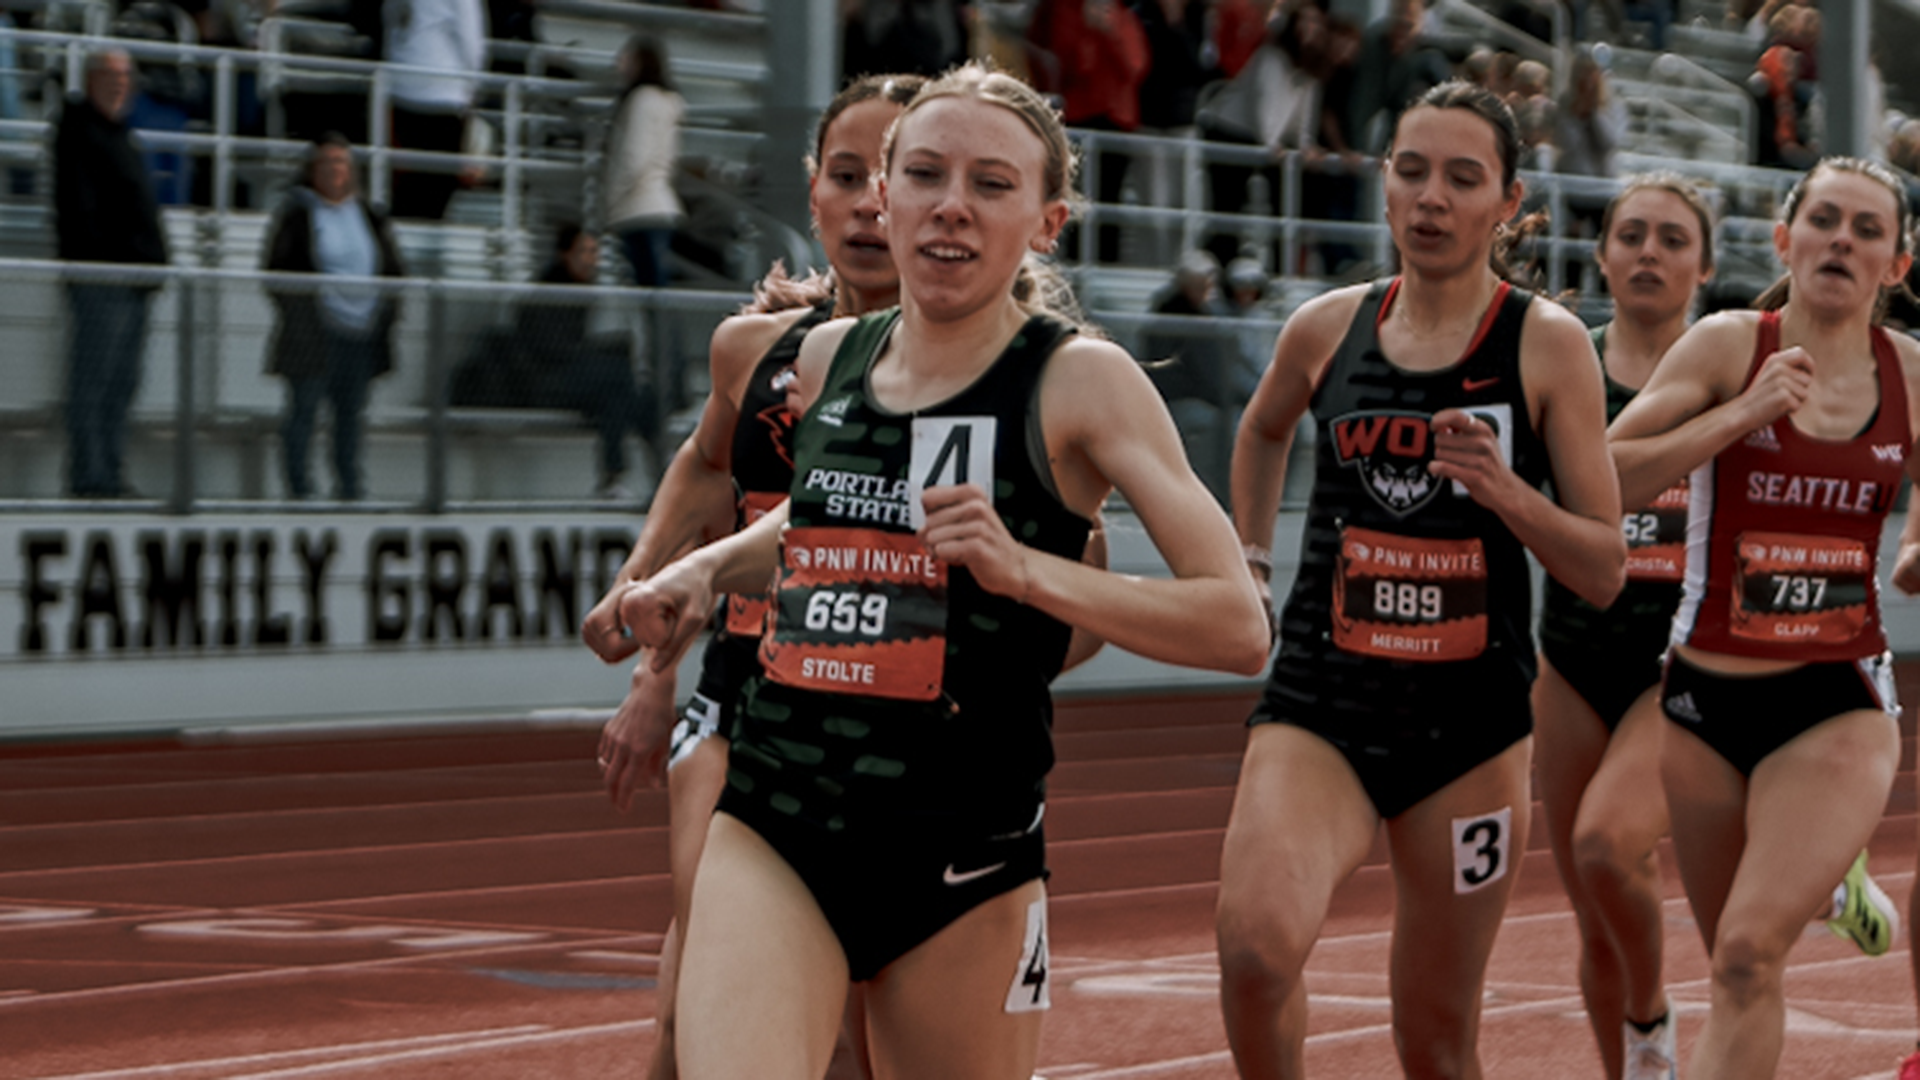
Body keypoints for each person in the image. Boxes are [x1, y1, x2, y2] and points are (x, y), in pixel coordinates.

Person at [616, 62, 1268, 1079]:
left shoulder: (1079, 382)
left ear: (1048, 221)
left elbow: (1236, 625)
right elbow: (816, 516)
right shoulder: (829, 361)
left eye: (992, 185)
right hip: (782, 814)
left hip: (966, 849)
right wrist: (701, 576)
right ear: (887, 195)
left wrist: (1029, 573)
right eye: (925, 175)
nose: (951, 208)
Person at [1216, 80, 1627, 1079]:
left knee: (1435, 1040)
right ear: (1385, 186)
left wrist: (1510, 496)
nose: (1432, 198)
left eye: (1461, 177)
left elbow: (1606, 568)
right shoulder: (1323, 328)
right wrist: (1252, 561)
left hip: (1468, 735)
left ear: (1510, 202)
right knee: (1255, 953)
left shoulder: (1545, 344)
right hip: (1323, 702)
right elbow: (1264, 427)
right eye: (1412, 171)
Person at [579, 71, 926, 1079]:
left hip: (889, 711)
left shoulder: (980, 368)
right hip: (742, 695)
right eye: (846, 173)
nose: (868, 202)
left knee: (859, 1033)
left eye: (892, 174)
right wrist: (645, 634)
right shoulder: (756, 348)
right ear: (812, 190)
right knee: (704, 1007)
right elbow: (706, 468)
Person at [1608, 155, 1920, 1079]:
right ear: (1786, 240)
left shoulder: (1908, 372)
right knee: (1738, 970)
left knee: (1747, 952)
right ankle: (1834, 884)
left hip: (1837, 702)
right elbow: (1604, 477)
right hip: (1704, 701)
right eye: (1825, 220)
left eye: (1868, 230)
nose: (1842, 241)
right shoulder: (1725, 345)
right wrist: (1738, 415)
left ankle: (1830, 861)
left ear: (1896, 264)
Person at [1533, 173, 1716, 1080]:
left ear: (1705, 267)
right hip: (1569, 658)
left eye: (1672, 239)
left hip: (1676, 664)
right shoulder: (1565, 368)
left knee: (1608, 844)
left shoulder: (1729, 376)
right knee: (1596, 913)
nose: (1649, 252)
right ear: (1602, 256)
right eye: (1632, 235)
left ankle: (1651, 1020)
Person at [262, 133, 405, 501]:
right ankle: (300, 489)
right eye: (326, 163)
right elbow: (276, 271)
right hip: (315, 335)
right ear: (312, 170)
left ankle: (350, 488)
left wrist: (387, 313)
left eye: (341, 163)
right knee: (304, 412)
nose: (334, 171)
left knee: (350, 418)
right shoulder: (298, 214)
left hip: (362, 334)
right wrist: (303, 314)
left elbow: (393, 270)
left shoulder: (370, 215)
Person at [54, 47, 169, 499]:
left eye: (126, 77)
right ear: (91, 78)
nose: (119, 84)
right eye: (110, 75)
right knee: (93, 382)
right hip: (105, 280)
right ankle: (90, 478)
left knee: (121, 385)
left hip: (133, 282)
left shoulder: (119, 134)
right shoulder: (80, 132)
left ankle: (109, 472)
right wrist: (113, 260)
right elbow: (83, 211)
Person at [509, 223, 656, 499]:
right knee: (618, 377)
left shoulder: (582, 293)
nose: (593, 260)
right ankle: (644, 468)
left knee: (632, 396)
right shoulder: (546, 295)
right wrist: (596, 353)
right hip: (545, 384)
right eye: (585, 251)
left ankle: (629, 479)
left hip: (579, 381)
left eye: (595, 252)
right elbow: (553, 352)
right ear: (565, 254)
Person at [384, 0, 487, 220]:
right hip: (443, 90)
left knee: (406, 184)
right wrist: (473, 85)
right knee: (437, 187)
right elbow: (470, 38)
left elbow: (392, 21)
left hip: (401, 86)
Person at [605, 35, 685, 288]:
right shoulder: (667, 102)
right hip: (659, 203)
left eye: (626, 57)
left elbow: (633, 157)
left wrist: (611, 198)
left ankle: (661, 330)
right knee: (656, 288)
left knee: (650, 289)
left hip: (639, 207)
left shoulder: (641, 100)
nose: (620, 63)